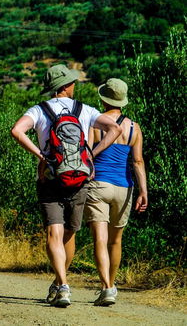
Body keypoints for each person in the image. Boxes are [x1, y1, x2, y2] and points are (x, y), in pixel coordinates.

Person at [10, 64, 122, 307]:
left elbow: (17, 131)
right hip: (80, 179)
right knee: (69, 233)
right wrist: (91, 154)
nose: (75, 85)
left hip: (51, 177)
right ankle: (60, 281)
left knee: (55, 232)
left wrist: (41, 155)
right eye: (73, 82)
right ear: (66, 86)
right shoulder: (85, 110)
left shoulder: (39, 110)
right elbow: (115, 128)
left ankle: (62, 286)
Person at [84, 78, 148, 306]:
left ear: (103, 98)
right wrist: (144, 192)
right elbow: (138, 161)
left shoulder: (96, 124)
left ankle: (106, 288)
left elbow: (89, 153)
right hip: (125, 187)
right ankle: (111, 285)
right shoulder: (134, 127)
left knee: (99, 239)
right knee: (115, 240)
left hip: (99, 184)